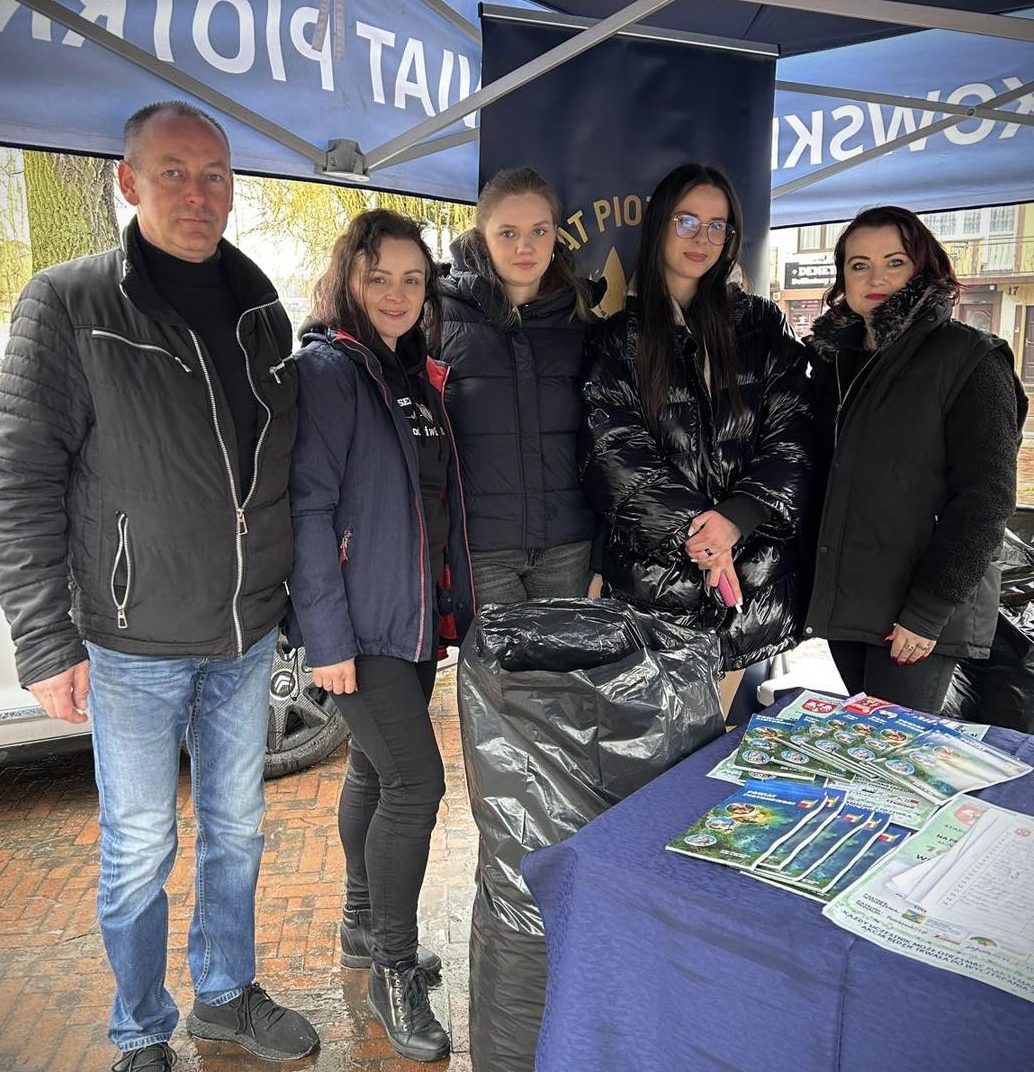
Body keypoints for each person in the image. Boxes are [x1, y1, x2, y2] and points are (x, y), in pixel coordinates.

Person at [0, 101, 318, 1072]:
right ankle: (139, 1033)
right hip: (130, 643)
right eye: (173, 172)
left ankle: (225, 991)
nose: (198, 193)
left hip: (244, 636)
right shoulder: (70, 303)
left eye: (215, 174)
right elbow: (18, 480)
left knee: (238, 833)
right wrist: (45, 642)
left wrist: (294, 600)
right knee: (137, 850)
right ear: (128, 182)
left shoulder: (262, 308)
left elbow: (278, 472)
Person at [288, 209, 474, 1063]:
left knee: (372, 768)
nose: (397, 294)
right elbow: (309, 508)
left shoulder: (411, 372)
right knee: (416, 783)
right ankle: (392, 969)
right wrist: (326, 639)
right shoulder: (330, 370)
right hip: (359, 624)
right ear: (348, 280)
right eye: (379, 278)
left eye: (412, 279)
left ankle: (363, 924)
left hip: (412, 614)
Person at [580, 162, 813, 711]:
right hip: (655, 583)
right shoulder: (617, 339)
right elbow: (614, 453)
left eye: (717, 226)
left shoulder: (762, 326)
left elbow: (794, 435)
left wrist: (737, 518)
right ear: (660, 224)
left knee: (723, 741)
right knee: (654, 746)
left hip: (748, 582)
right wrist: (701, 536)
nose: (701, 238)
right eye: (686, 221)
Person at [804, 205, 1026, 714]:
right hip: (850, 597)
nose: (875, 278)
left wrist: (929, 609)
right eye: (859, 264)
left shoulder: (970, 358)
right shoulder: (837, 362)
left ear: (924, 267)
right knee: (867, 741)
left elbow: (987, 499)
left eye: (894, 262)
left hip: (916, 609)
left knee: (896, 749)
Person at [438, 167, 598, 605]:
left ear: (554, 236)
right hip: (482, 549)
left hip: (568, 547)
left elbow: (604, 445)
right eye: (507, 233)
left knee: (564, 656)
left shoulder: (581, 323)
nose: (524, 247)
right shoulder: (439, 316)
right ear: (482, 237)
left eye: (538, 231)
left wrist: (602, 553)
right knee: (496, 656)